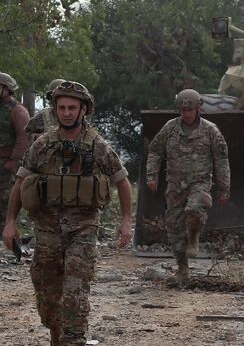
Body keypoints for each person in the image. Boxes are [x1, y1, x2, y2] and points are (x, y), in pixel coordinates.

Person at [2, 81, 132, 346]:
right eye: (61, 107)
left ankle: (73, 339)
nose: (67, 113)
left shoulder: (98, 146)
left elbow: (122, 181)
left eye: (72, 107)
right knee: (48, 300)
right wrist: (10, 223)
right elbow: (19, 183)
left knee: (75, 294)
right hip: (47, 230)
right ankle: (56, 333)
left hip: (83, 229)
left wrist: (126, 221)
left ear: (83, 110)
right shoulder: (42, 145)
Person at [146, 89, 230, 282]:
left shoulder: (210, 131)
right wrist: (152, 175)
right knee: (174, 228)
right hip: (175, 185)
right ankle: (183, 270)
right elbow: (155, 151)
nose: (186, 114)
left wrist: (224, 187)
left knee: (194, 209)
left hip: (200, 183)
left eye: (189, 110)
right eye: (182, 110)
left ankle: (193, 236)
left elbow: (221, 160)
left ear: (198, 108)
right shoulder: (170, 128)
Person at [0, 72, 31, 222]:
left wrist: (12, 162)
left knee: (4, 204)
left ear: (6, 89)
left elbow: (24, 137)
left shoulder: (17, 111)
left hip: (6, 165)